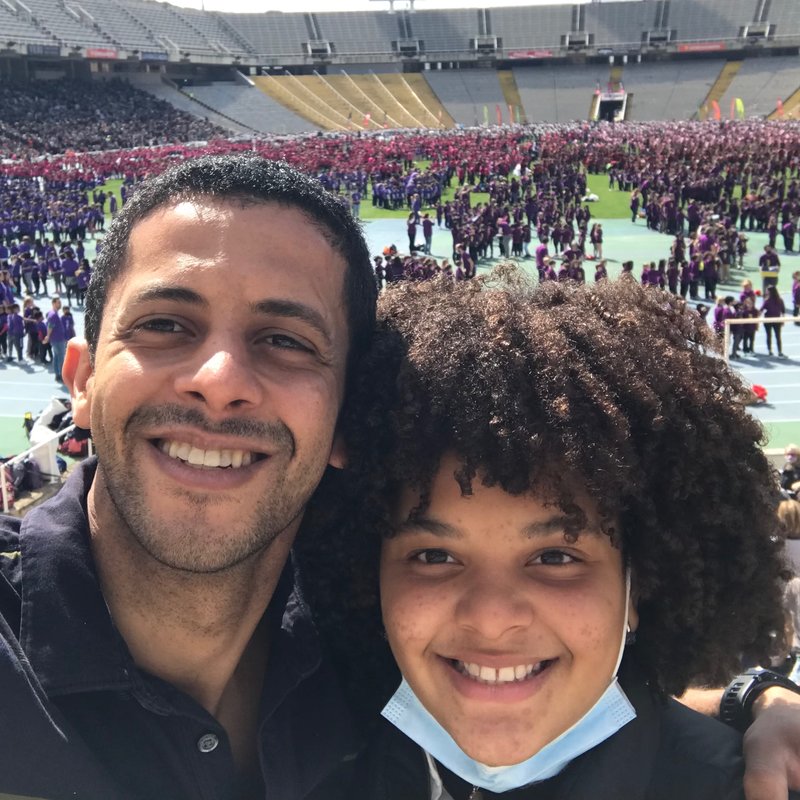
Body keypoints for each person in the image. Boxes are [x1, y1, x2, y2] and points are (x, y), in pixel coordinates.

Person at [300, 272, 800, 800]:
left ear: (638, 586)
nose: (491, 619)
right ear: (369, 573)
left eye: (556, 557)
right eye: (435, 555)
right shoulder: (304, 768)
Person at [0, 154, 377, 800]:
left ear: (349, 416)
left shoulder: (390, 663)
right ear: (82, 381)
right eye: (164, 325)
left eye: (285, 340)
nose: (219, 381)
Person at [761, 285, 787, 358]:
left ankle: (771, 351)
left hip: (772, 320)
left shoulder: (768, 300)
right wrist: (783, 320)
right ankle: (778, 351)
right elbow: (783, 311)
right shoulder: (778, 300)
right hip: (773, 320)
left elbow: (761, 310)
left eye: (767, 291)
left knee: (770, 336)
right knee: (777, 336)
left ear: (770, 292)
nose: (766, 292)